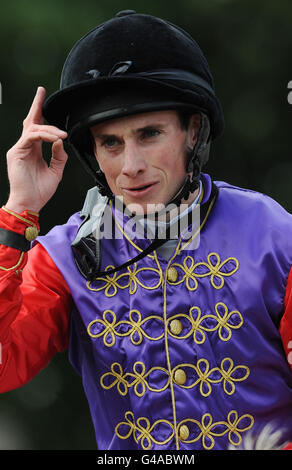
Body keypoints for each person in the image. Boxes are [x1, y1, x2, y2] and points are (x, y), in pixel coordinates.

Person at [0, 10, 292, 451]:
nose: (131, 166)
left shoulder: (275, 235)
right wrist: (17, 213)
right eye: (110, 143)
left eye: (150, 133)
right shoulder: (62, 258)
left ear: (192, 131)